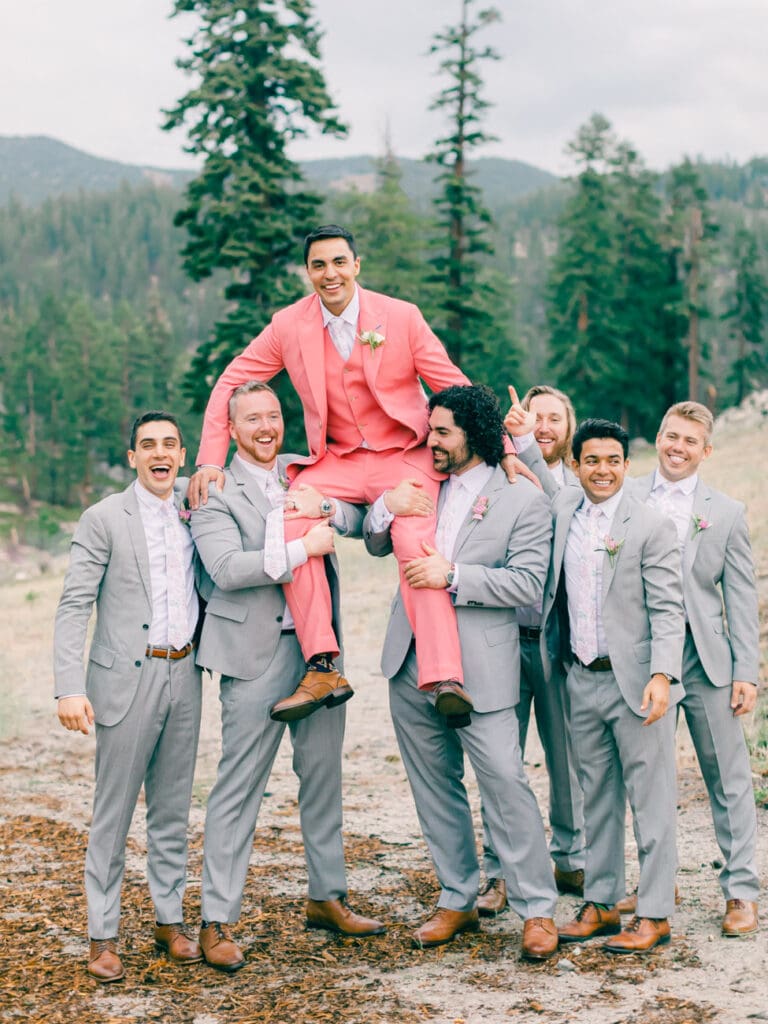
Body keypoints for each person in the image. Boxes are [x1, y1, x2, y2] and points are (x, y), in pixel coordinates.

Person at [189, 224, 522, 727]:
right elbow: (232, 380)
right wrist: (210, 460)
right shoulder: (287, 325)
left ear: (356, 265)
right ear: (308, 272)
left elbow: (453, 383)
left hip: (403, 455)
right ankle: (322, 664)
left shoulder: (401, 317)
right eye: (319, 265)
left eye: (339, 262)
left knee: (413, 538)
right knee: (293, 518)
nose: (330, 274)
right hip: (338, 459)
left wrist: (504, 448)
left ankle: (443, 675)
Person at [190, 381, 385, 971]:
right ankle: (216, 919)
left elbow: (353, 516)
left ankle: (327, 896)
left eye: (273, 415)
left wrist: (324, 509)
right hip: (253, 655)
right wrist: (303, 552)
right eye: (252, 419)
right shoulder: (213, 490)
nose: (266, 427)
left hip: (319, 655)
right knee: (238, 786)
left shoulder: (307, 475)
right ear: (232, 427)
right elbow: (225, 568)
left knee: (323, 778)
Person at [364, 384, 560, 961]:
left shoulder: (522, 499)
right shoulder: (421, 479)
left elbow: (527, 583)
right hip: (409, 660)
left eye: (443, 431)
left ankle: (537, 908)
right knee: (433, 785)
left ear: (475, 434)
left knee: (504, 781)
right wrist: (385, 507)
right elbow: (377, 539)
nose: (432, 440)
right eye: (431, 430)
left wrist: (453, 576)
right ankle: (458, 896)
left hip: (482, 666)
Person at [54, 412, 203, 982]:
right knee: (113, 814)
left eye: (169, 444)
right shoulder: (103, 518)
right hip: (124, 680)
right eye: (148, 445)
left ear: (183, 454)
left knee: (172, 810)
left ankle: (170, 921)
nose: (159, 453)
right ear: (133, 457)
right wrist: (69, 686)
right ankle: (103, 936)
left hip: (185, 675)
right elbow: (74, 605)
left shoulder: (197, 513)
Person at [614, 402, 760, 936]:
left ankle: (741, 890)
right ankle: (658, 884)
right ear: (658, 437)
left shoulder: (724, 512)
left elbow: (740, 599)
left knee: (728, 777)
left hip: (704, 660)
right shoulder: (624, 496)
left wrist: (746, 670)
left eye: (690, 441)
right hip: (642, 659)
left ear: (706, 451)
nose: (678, 447)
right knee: (648, 779)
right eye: (671, 436)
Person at [551, 419, 685, 954]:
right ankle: (603, 903)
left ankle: (654, 913)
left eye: (612, 461)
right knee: (597, 799)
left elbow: (669, 610)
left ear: (627, 466)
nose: (602, 470)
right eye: (591, 461)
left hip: (636, 684)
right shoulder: (563, 512)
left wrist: (662, 676)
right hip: (580, 678)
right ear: (576, 465)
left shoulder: (650, 525)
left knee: (652, 801)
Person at [476, 384, 586, 916]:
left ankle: (571, 854)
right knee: (501, 762)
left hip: (558, 644)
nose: (542, 427)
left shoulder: (579, 485)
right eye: (532, 417)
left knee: (568, 756)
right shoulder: (497, 478)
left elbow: (559, 511)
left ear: (569, 428)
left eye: (553, 419)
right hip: (500, 640)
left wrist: (522, 446)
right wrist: (511, 451)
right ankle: (498, 870)